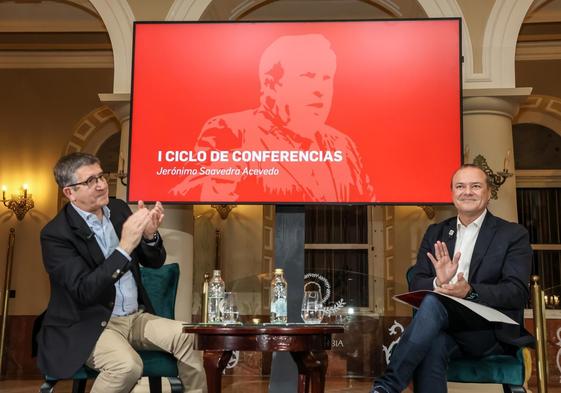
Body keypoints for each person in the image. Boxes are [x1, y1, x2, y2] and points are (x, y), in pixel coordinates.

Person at [35, 152, 206, 393]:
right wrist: (124, 247)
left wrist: (150, 237)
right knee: (126, 366)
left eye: (101, 176)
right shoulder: (56, 235)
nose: (101, 184)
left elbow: (154, 261)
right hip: (89, 324)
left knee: (190, 336)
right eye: (89, 181)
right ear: (69, 192)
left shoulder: (118, 208)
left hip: (136, 317)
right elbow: (84, 290)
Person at [371, 164, 533, 393]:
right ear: (452, 193)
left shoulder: (512, 234)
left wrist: (470, 291)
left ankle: (387, 386)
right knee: (432, 342)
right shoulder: (436, 232)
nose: (467, 192)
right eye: (460, 186)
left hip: (487, 333)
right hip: (443, 330)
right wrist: (438, 282)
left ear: (488, 193)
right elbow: (417, 280)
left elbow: (516, 292)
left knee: (434, 302)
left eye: (475, 186)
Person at [170, 33, 374, 202]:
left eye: (326, 79)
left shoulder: (343, 145)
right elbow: (187, 191)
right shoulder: (229, 130)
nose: (320, 90)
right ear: (271, 84)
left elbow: (370, 200)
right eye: (308, 77)